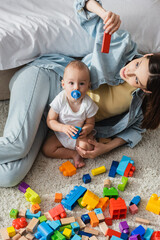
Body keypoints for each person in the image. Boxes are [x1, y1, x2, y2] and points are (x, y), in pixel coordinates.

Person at [0, 0, 160, 187]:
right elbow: (82, 4)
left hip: (53, 120)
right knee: (17, 146)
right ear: (147, 55)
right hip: (47, 80)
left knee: (10, 176)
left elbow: (137, 130)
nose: (129, 72)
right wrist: (103, 14)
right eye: (138, 64)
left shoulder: (141, 105)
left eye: (136, 80)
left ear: (146, 89)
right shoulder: (120, 44)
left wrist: (105, 148)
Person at [42, 60, 98, 168]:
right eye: (71, 83)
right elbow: (50, 121)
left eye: (81, 83)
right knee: (47, 149)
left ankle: (81, 149)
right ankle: (73, 154)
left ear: (88, 86)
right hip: (61, 134)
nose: (76, 88)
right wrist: (63, 128)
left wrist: (86, 130)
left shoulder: (88, 103)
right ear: (63, 84)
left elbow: (91, 123)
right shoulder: (60, 99)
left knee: (88, 148)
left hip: (79, 136)